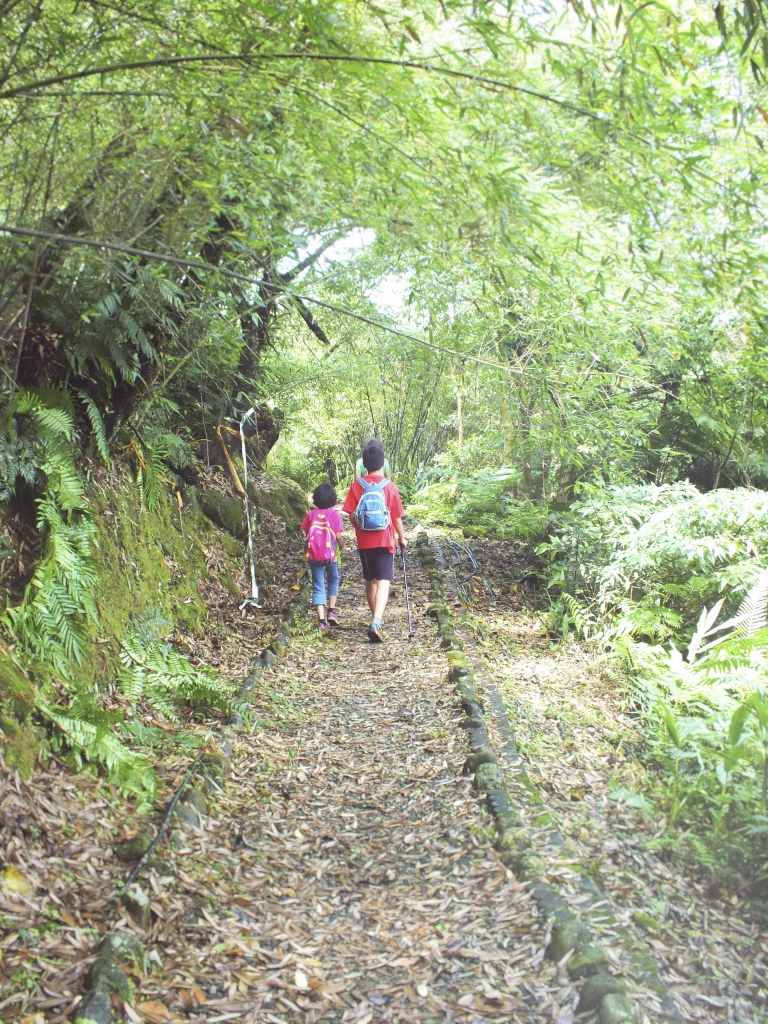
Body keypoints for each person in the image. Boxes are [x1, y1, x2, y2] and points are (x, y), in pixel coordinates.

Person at [342, 438, 407, 643]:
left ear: (364, 465)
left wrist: (359, 529)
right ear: (382, 463)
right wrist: (402, 538)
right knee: (384, 580)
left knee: (370, 581)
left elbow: (351, 514)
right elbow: (396, 517)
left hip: (364, 541)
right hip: (385, 540)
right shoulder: (390, 487)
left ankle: (375, 619)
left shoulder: (356, 485)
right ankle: (377, 621)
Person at [301, 483, 344, 632]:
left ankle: (321, 621)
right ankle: (331, 611)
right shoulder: (334, 515)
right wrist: (342, 546)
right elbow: (338, 536)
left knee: (318, 584)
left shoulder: (310, 515)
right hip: (331, 554)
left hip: (314, 555)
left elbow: (306, 533)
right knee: (333, 579)